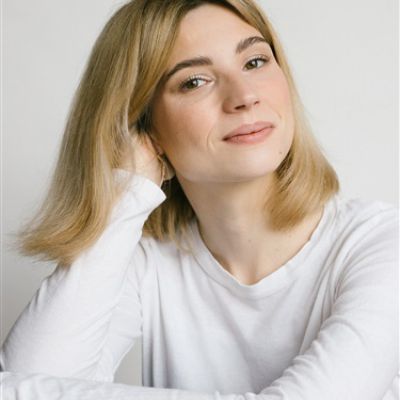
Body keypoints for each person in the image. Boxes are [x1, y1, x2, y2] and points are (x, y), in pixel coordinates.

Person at [0, 0, 398, 399]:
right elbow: (25, 378)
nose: (244, 96)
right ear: (142, 126)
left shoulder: (379, 243)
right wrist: (127, 192)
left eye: (255, 61)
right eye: (194, 81)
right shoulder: (145, 260)